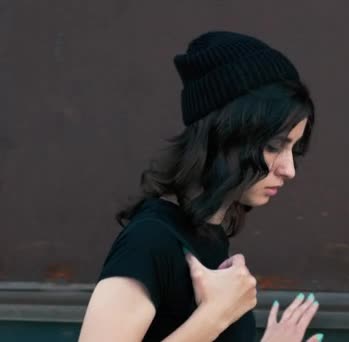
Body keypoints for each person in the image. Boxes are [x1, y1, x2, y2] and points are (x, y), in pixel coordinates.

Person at [79, 31, 322, 341]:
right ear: (227, 136)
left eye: (294, 149)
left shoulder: (208, 237)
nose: (289, 170)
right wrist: (214, 317)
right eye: (275, 146)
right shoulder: (150, 241)